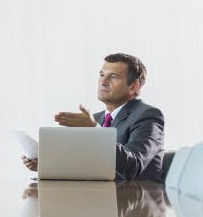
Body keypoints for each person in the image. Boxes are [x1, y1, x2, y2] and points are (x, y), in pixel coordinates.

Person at [22, 53, 164, 182]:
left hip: (139, 200)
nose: (103, 82)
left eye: (113, 76)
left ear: (133, 86)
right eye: (102, 75)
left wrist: (94, 130)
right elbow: (86, 165)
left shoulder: (148, 115)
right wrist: (48, 166)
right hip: (102, 198)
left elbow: (133, 166)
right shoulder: (96, 119)